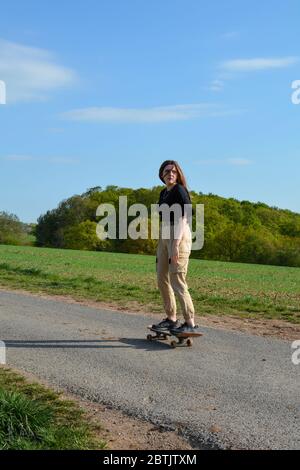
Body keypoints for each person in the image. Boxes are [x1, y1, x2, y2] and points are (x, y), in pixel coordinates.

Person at [152, 160, 199, 334]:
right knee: (161, 278)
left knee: (177, 279)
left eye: (173, 171)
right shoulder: (163, 193)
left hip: (179, 235)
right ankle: (171, 318)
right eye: (167, 171)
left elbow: (184, 217)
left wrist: (176, 244)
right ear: (161, 175)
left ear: (178, 174)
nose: (170, 174)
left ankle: (190, 322)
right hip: (164, 236)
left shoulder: (180, 190)